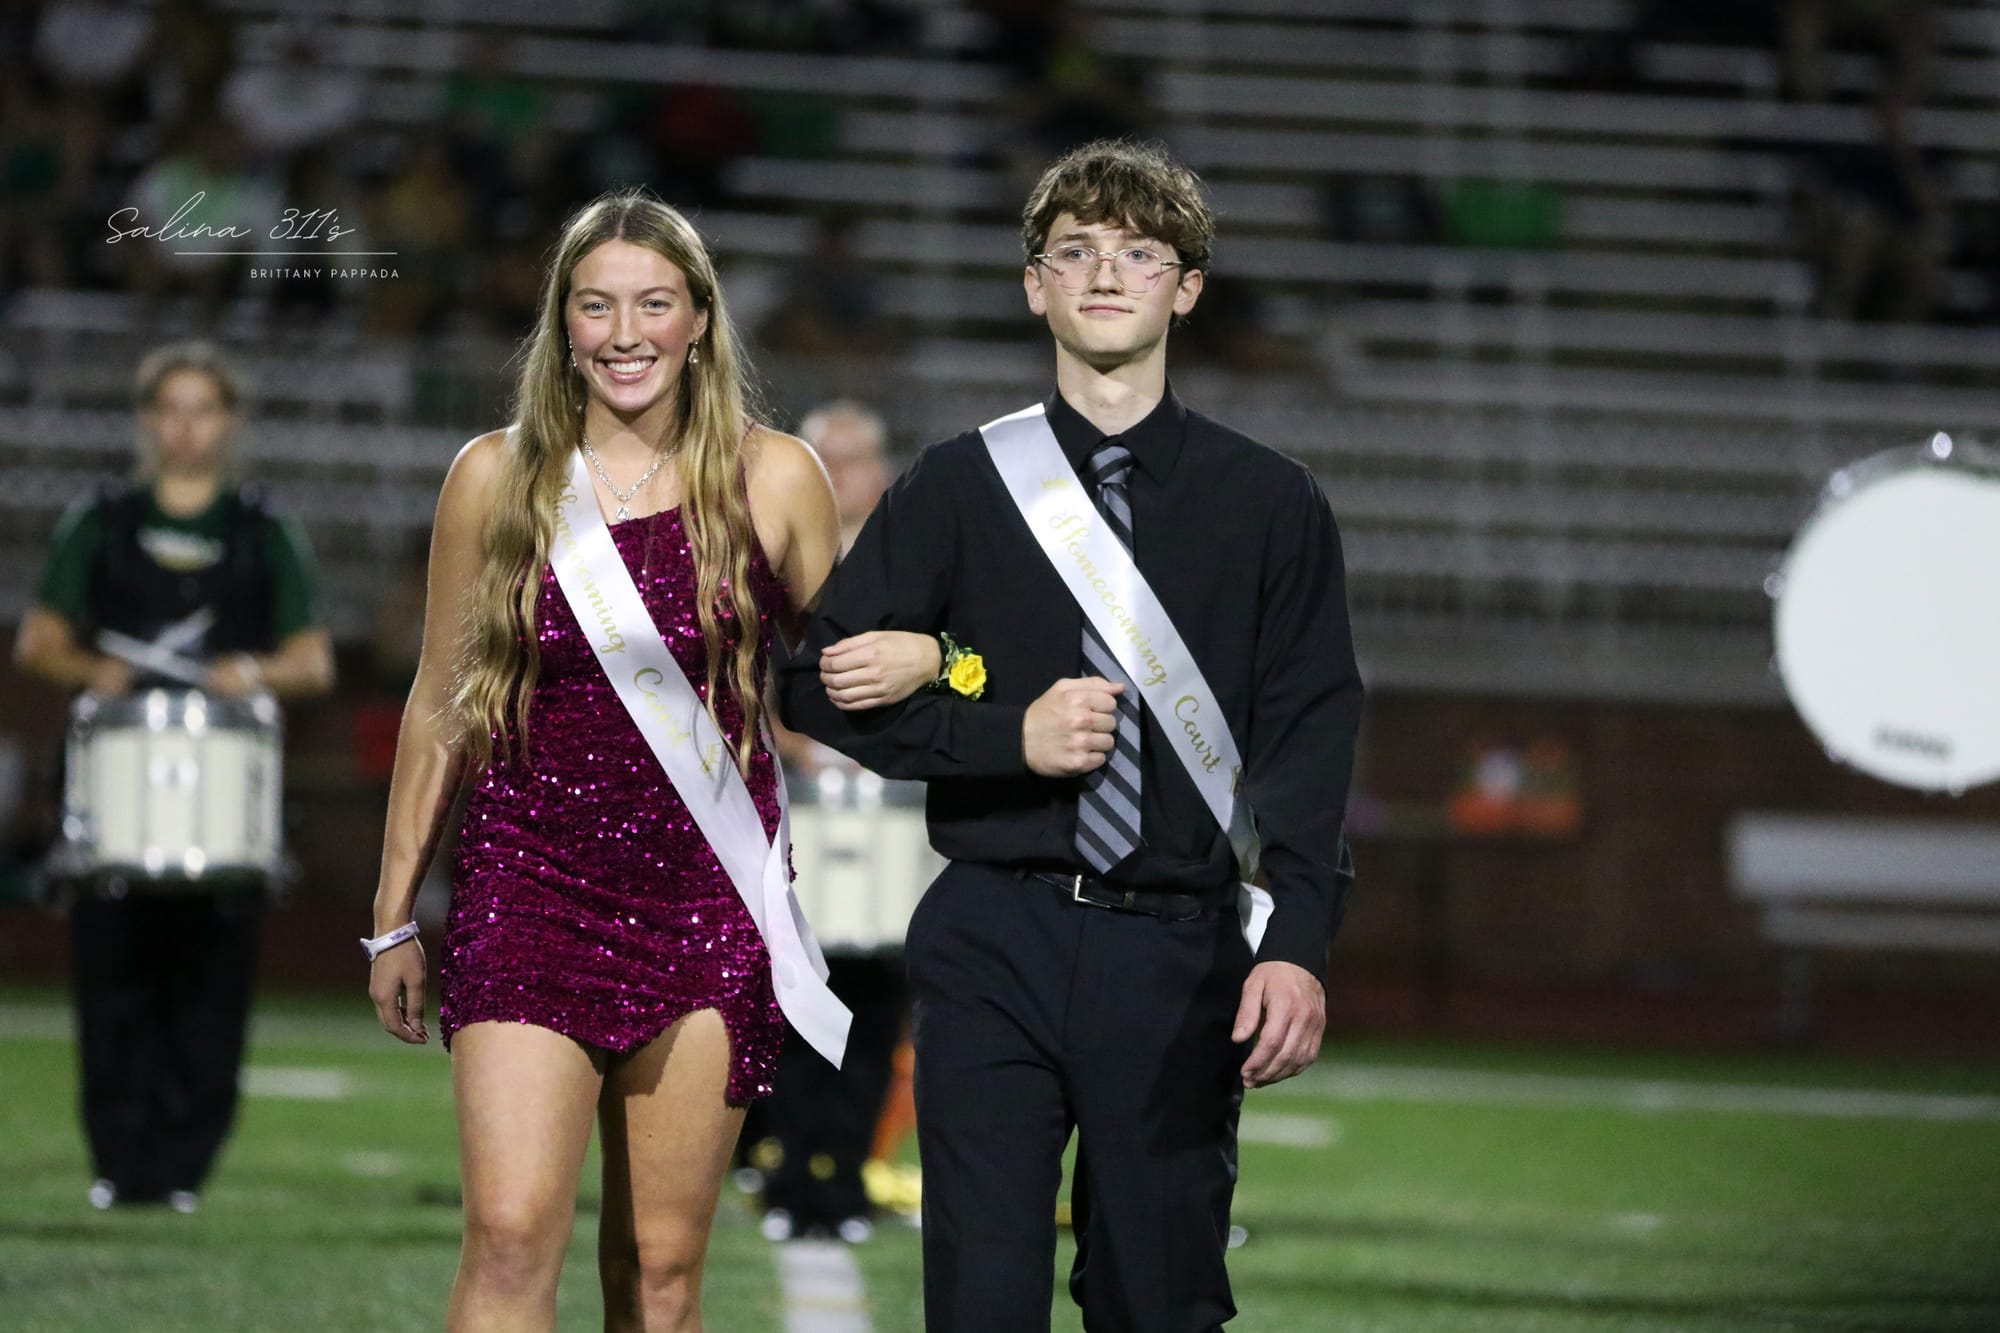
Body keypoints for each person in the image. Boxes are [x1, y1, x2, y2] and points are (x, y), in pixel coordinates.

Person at [777, 139, 1364, 1330]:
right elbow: (810, 685)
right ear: (1033, 283)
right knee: (981, 1302)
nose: (1104, 273)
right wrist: (1005, 736)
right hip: (991, 931)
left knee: (1156, 1299)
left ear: (1185, 289)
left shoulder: (1271, 501)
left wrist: (1297, 942)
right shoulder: (957, 482)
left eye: (1139, 253)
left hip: (1179, 946)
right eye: (1075, 251)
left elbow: (1310, 738)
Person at [362, 189, 937, 1332]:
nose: (624, 333)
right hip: (527, 887)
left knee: (661, 1270)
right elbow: (438, 701)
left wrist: (944, 661)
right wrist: (390, 918)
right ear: (562, 323)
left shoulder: (775, 476)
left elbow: (838, 675)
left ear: (700, 318)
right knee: (509, 1235)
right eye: (596, 305)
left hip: (706, 903)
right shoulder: (494, 475)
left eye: (653, 303)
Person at [14, 339, 334, 1213]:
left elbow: (313, 660)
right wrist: (93, 667)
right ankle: (120, 1166)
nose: (186, 427)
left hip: (223, 797)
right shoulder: (101, 520)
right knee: (112, 983)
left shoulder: (263, 528)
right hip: (114, 792)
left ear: (229, 422)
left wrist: (253, 671)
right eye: (170, 408)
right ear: (147, 420)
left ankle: (184, 1168)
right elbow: (38, 641)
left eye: (203, 409)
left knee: (210, 990)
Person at [758, 399, 918, 1244]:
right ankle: (788, 1171)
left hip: (888, 817)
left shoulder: (911, 560)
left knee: (878, 998)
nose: (843, 475)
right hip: (801, 806)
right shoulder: (775, 552)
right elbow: (747, 670)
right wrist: (800, 744)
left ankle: (848, 1174)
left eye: (856, 458)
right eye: (829, 457)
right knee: (793, 990)